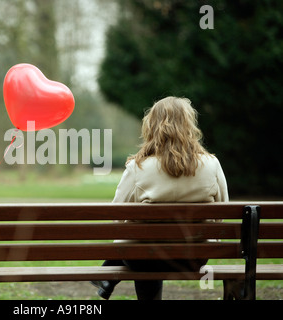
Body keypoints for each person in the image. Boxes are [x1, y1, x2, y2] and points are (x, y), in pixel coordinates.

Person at [91, 96, 229, 300]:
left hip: (144, 258)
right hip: (193, 257)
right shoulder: (212, 164)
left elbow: (116, 219)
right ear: (189, 126)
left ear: (152, 127)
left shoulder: (137, 167)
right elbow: (221, 214)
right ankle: (109, 277)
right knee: (145, 246)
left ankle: (108, 277)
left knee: (142, 247)